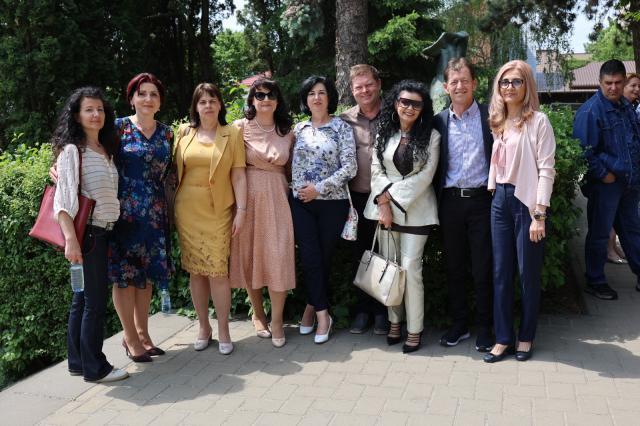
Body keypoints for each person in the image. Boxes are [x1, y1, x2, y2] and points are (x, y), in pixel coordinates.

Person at [53, 87, 128, 383]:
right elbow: (64, 201)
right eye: (89, 110)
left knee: (82, 300)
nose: (96, 114)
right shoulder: (73, 150)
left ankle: (77, 362)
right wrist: (71, 239)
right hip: (89, 236)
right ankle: (96, 368)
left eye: (100, 109)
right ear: (76, 115)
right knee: (94, 303)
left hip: (102, 233)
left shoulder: (105, 150)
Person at [484, 60, 556, 363]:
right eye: (504, 82)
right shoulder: (497, 121)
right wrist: (492, 188)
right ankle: (503, 338)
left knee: (528, 274)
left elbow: (546, 169)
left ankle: (525, 336)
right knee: (501, 273)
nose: (509, 87)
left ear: (527, 85)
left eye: (515, 81)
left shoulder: (538, 121)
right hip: (499, 200)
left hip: (526, 203)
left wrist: (539, 214)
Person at [364, 80, 441, 353]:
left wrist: (391, 198)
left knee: (411, 271)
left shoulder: (432, 136)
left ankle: (415, 329)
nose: (409, 107)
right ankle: (395, 321)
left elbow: (426, 176)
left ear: (423, 108)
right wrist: (383, 203)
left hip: (418, 212)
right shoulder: (383, 132)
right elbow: (375, 170)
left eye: (415, 103)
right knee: (391, 268)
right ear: (395, 103)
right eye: (404, 101)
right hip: (384, 212)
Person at [174, 83, 247, 354]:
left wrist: (242, 210)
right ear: (195, 106)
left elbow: (239, 174)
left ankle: (224, 329)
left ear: (220, 105)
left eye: (212, 100)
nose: (207, 105)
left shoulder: (232, 134)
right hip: (187, 211)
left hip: (218, 212)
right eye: (202, 101)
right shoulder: (183, 132)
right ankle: (203, 327)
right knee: (196, 272)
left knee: (218, 271)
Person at [109, 73, 173, 362]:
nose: (148, 99)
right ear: (132, 98)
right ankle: (129, 338)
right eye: (142, 93)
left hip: (156, 213)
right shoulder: (118, 128)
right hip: (124, 213)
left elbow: (172, 175)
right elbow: (83, 146)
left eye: (154, 94)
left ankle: (144, 334)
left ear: (159, 102)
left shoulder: (168, 133)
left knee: (145, 276)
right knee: (124, 277)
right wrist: (59, 162)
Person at [433, 57, 494, 352]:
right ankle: (459, 324)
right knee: (454, 267)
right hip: (450, 204)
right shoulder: (438, 121)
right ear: (446, 87)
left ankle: (485, 327)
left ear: (474, 84)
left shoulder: (490, 116)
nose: (459, 86)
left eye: (464, 80)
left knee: (482, 267)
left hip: (483, 201)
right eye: (454, 81)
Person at [290, 75, 357, 344]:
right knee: (309, 257)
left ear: (329, 97)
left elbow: (350, 167)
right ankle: (322, 316)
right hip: (301, 204)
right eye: (311, 93)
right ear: (305, 100)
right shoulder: (299, 128)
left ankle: (312, 309)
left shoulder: (341, 127)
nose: (316, 97)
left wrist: (319, 188)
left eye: (321, 93)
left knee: (323, 258)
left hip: (333, 203)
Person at [229, 78, 295, 348]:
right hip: (247, 199)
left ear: (277, 100)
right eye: (259, 95)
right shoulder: (238, 128)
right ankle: (258, 314)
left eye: (270, 95)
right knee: (250, 256)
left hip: (278, 199)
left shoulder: (288, 132)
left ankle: (277, 319)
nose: (265, 99)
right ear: (252, 100)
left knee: (278, 256)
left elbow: (293, 171)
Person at [574, 59, 640, 301]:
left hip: (630, 184)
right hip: (606, 185)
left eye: (617, 83)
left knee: (633, 232)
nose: (613, 87)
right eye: (608, 83)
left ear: (623, 82)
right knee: (600, 234)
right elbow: (583, 150)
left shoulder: (626, 107)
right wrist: (604, 174)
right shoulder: (590, 111)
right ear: (599, 83)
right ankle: (595, 280)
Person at [339, 64, 388, 335]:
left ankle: (383, 313)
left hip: (386, 199)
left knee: (385, 255)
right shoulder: (345, 120)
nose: (364, 90)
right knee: (361, 256)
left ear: (378, 84)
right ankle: (362, 311)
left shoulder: (393, 113)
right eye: (358, 87)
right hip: (356, 199)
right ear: (352, 90)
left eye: (368, 84)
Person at [606, 72, 640, 265]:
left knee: (628, 222)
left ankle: (615, 249)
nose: (636, 90)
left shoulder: (630, 109)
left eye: (638, 86)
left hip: (631, 177)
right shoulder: (613, 110)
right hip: (615, 176)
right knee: (612, 219)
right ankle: (610, 250)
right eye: (632, 86)